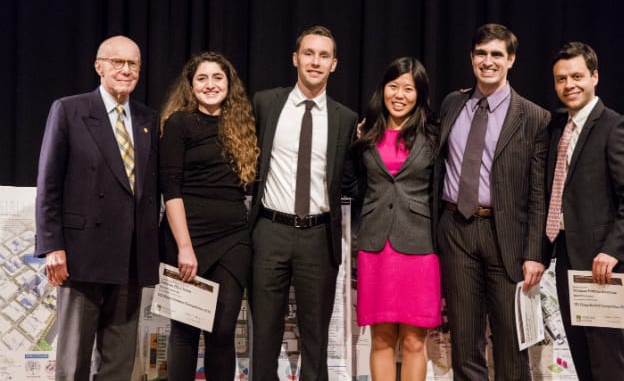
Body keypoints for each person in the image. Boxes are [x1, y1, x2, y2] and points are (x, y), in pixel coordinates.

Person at [35, 35, 159, 380]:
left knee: (119, 363)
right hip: (81, 255)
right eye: (117, 62)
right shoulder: (69, 110)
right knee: (73, 359)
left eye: (132, 63)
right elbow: (49, 183)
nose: (125, 70)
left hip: (131, 258)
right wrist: (52, 245)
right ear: (98, 66)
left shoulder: (148, 119)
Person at [433, 23, 551, 380]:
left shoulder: (533, 117)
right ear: (471, 58)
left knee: (511, 343)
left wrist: (535, 252)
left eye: (497, 54)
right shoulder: (453, 103)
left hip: (507, 238)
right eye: (481, 54)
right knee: (465, 342)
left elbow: (537, 193)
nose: (488, 61)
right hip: (456, 230)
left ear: (511, 60)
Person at [248, 25, 358, 380]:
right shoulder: (266, 103)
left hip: (317, 235)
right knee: (264, 334)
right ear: (295, 58)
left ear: (334, 64)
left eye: (323, 55)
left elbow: (352, 179)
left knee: (316, 338)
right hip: (269, 231)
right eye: (308, 53)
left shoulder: (345, 119)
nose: (315, 61)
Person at [547, 41, 624, 381]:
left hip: (603, 267)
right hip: (567, 261)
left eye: (577, 76)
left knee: (609, 365)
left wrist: (612, 250)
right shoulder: (558, 128)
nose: (569, 85)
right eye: (561, 79)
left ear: (594, 76)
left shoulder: (616, 127)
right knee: (584, 363)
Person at [158, 51, 259, 380]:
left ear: (229, 84)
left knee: (223, 332)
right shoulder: (179, 123)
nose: (210, 84)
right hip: (187, 241)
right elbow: (170, 189)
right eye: (202, 78)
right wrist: (184, 246)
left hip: (233, 240)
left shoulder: (242, 125)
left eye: (218, 77)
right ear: (191, 85)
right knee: (185, 333)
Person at [350, 56, 440, 380]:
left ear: (420, 94)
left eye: (408, 88)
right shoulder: (365, 133)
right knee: (382, 338)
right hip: (376, 246)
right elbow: (354, 185)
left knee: (415, 340)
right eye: (393, 86)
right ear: (383, 89)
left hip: (419, 245)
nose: (399, 95)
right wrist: (354, 142)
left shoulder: (433, 134)